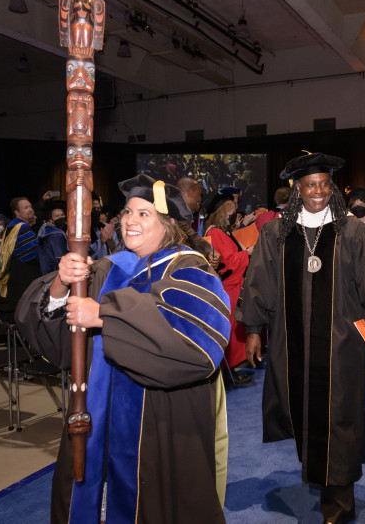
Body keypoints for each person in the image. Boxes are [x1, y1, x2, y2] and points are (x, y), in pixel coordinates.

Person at [15, 175, 231, 524]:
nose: (130, 220)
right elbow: (47, 329)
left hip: (161, 422)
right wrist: (61, 281)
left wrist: (104, 315)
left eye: (144, 214)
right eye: (127, 212)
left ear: (169, 223)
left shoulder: (192, 269)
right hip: (96, 418)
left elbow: (195, 346)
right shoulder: (105, 268)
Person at [237, 152, 365, 524]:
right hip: (291, 342)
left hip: (342, 345)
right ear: (298, 189)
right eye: (310, 185)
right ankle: (320, 477)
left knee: (340, 418)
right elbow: (260, 283)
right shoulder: (276, 233)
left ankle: (339, 504)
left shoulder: (353, 231)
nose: (318, 192)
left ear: (333, 188)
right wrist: (252, 330)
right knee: (302, 412)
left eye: (324, 185)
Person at [202, 191, 252, 375]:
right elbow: (227, 263)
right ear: (223, 211)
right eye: (231, 210)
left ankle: (235, 366)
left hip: (233, 285)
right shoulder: (214, 232)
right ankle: (231, 367)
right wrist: (247, 253)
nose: (234, 214)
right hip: (227, 286)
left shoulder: (220, 231)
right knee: (230, 327)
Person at [0, 197, 41, 302]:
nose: (30, 209)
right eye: (26, 208)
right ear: (17, 212)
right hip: (24, 277)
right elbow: (32, 256)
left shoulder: (12, 226)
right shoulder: (22, 227)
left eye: (30, 206)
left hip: (14, 276)